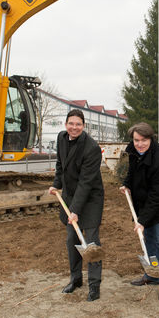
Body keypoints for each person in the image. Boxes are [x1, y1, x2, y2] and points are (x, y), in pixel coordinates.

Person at [48, 109, 104, 302]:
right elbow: (60, 165)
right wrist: (56, 185)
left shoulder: (92, 148)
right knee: (72, 240)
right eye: (71, 124)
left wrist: (75, 211)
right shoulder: (62, 138)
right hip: (71, 197)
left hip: (90, 199)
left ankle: (94, 285)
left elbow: (86, 183)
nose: (74, 127)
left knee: (91, 242)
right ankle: (76, 278)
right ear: (66, 125)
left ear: (83, 126)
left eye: (78, 124)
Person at [120, 122, 159, 301]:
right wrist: (127, 184)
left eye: (144, 140)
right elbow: (132, 171)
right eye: (136, 140)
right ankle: (152, 274)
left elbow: (157, 196)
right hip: (142, 202)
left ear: (151, 139)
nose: (139, 144)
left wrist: (142, 221)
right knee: (148, 242)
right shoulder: (134, 151)